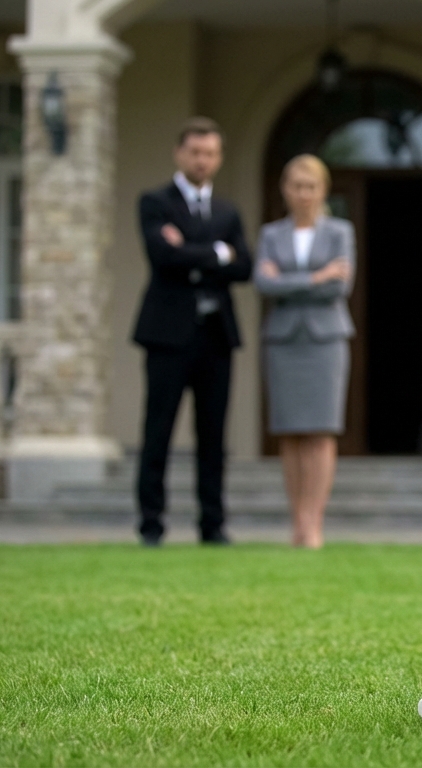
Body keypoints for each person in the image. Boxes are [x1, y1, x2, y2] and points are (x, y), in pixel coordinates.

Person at [132, 117, 254, 546]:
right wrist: (216, 251)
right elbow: (162, 256)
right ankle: (151, 523)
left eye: (210, 153)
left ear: (218, 158)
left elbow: (244, 266)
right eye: (195, 152)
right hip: (167, 335)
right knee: (158, 430)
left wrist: (189, 249)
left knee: (214, 434)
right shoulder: (155, 202)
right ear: (179, 154)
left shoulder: (227, 210)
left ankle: (213, 524)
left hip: (215, 335)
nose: (203, 160)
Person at [254, 155, 355, 549]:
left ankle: (314, 523)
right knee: (290, 433)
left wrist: (290, 281)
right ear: (285, 189)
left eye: (310, 186)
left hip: (326, 340)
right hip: (282, 340)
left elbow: (339, 287)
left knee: (320, 432)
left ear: (322, 190)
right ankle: (296, 521)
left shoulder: (339, 232)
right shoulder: (270, 235)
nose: (303, 193)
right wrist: (317, 276)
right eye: (296, 185)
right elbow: (264, 284)